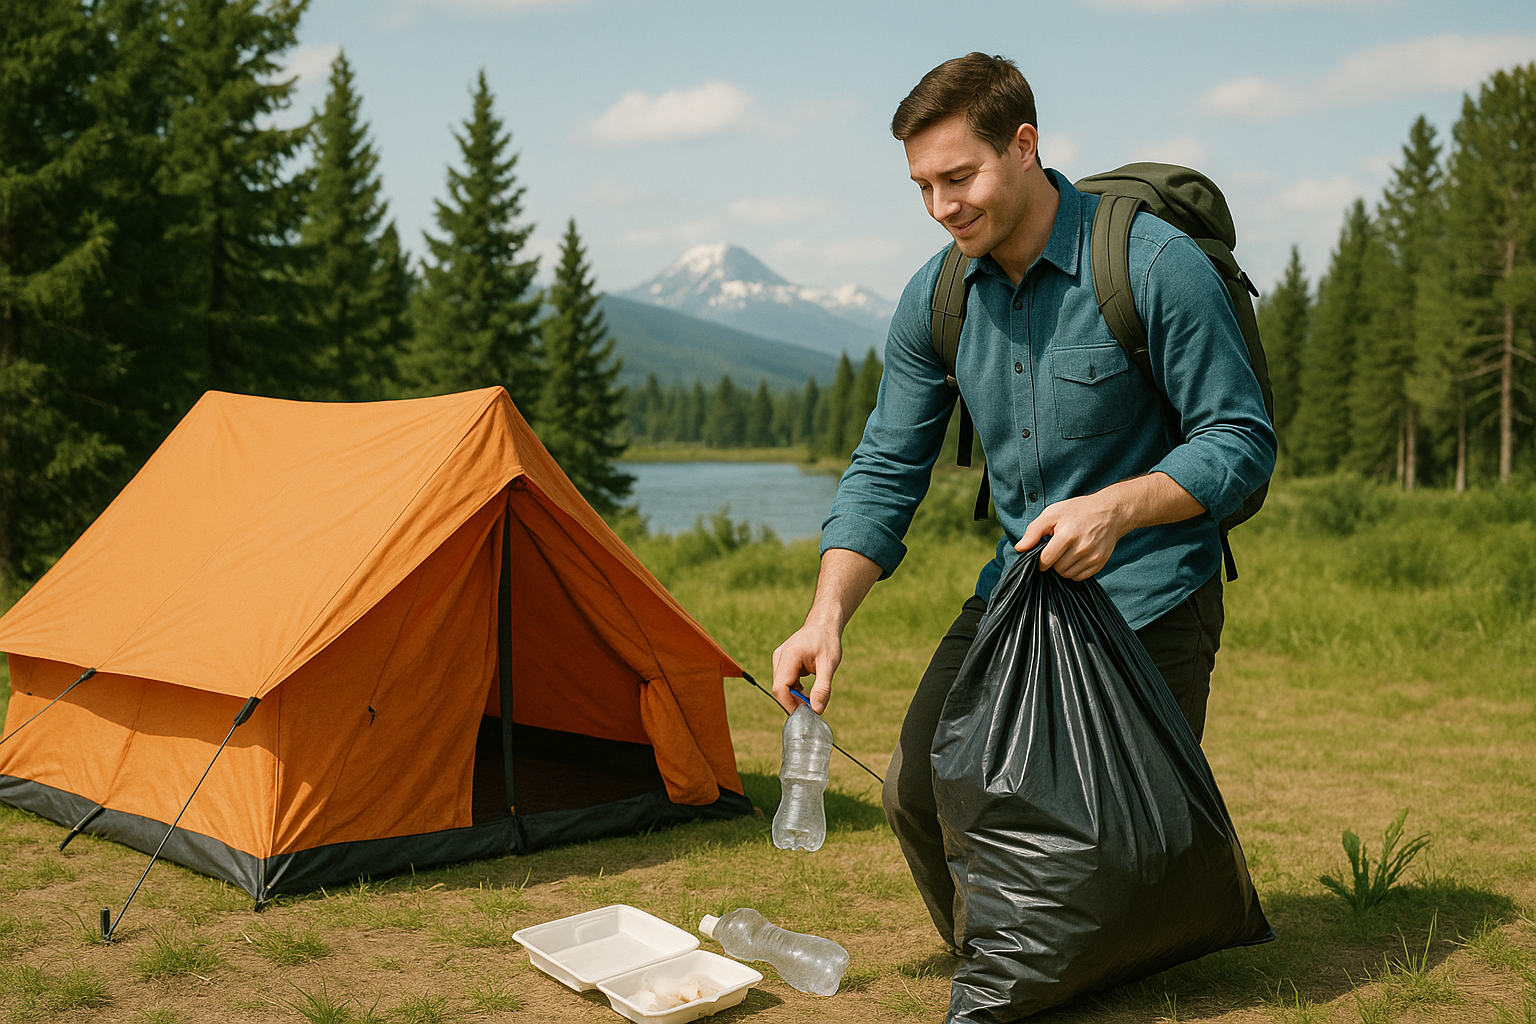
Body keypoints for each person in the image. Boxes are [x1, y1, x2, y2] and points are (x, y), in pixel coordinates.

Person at [769, 52, 1276, 948]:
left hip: (1152, 595)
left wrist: (1115, 508)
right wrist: (826, 616)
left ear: (1025, 145)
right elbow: (887, 466)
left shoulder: (1154, 266)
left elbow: (1240, 441)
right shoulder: (937, 298)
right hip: (1017, 593)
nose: (941, 206)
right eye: (922, 186)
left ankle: (1070, 970)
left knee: (1109, 846)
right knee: (917, 792)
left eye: (959, 177)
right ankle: (999, 975)